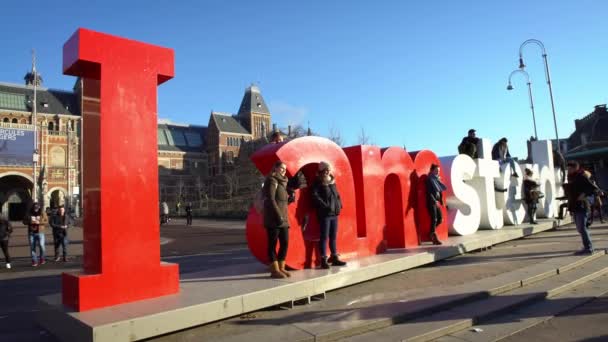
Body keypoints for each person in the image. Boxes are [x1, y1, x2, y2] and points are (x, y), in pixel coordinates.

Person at [312, 161, 347, 269]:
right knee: (324, 237)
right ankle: (323, 259)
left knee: (333, 237)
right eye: (325, 169)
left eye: (328, 169)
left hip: (334, 213)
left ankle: (334, 257)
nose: (327, 171)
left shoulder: (332, 181)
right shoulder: (317, 182)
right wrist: (325, 206)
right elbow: (315, 196)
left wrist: (339, 204)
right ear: (321, 170)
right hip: (325, 214)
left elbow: (336, 195)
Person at [263, 161, 292, 278]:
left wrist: (290, 198)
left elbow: (282, 202)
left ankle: (281, 267)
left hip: (283, 218)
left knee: (285, 243)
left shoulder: (284, 183)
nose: (283, 170)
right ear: (275, 168)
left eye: (285, 169)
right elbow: (271, 199)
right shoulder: (272, 180)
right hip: (273, 218)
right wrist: (278, 215)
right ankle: (274, 270)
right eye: (281, 168)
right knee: (272, 244)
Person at [567, 161, 600, 255]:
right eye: (568, 169)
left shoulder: (581, 176)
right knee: (580, 228)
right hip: (575, 205)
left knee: (582, 228)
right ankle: (587, 247)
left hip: (582, 205)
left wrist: (584, 194)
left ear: (575, 168)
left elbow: (593, 188)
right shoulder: (571, 177)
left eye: (570, 168)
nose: (568, 170)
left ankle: (588, 248)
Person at [426, 164, 447, 245]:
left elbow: (439, 191)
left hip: (437, 202)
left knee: (440, 219)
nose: (438, 172)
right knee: (434, 219)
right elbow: (429, 192)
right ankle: (434, 237)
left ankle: (431, 233)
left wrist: (441, 200)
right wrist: (434, 200)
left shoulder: (437, 179)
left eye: (439, 170)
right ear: (432, 170)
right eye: (436, 170)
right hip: (431, 202)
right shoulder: (429, 179)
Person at [28, 202, 48, 266]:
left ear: (39, 207)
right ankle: (34, 261)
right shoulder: (29, 212)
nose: (36, 208)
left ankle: (42, 258)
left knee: (42, 246)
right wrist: (30, 221)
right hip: (31, 232)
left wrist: (39, 222)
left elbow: (46, 221)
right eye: (35, 207)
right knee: (32, 247)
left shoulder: (42, 212)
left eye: (37, 207)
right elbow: (24, 221)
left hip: (40, 232)